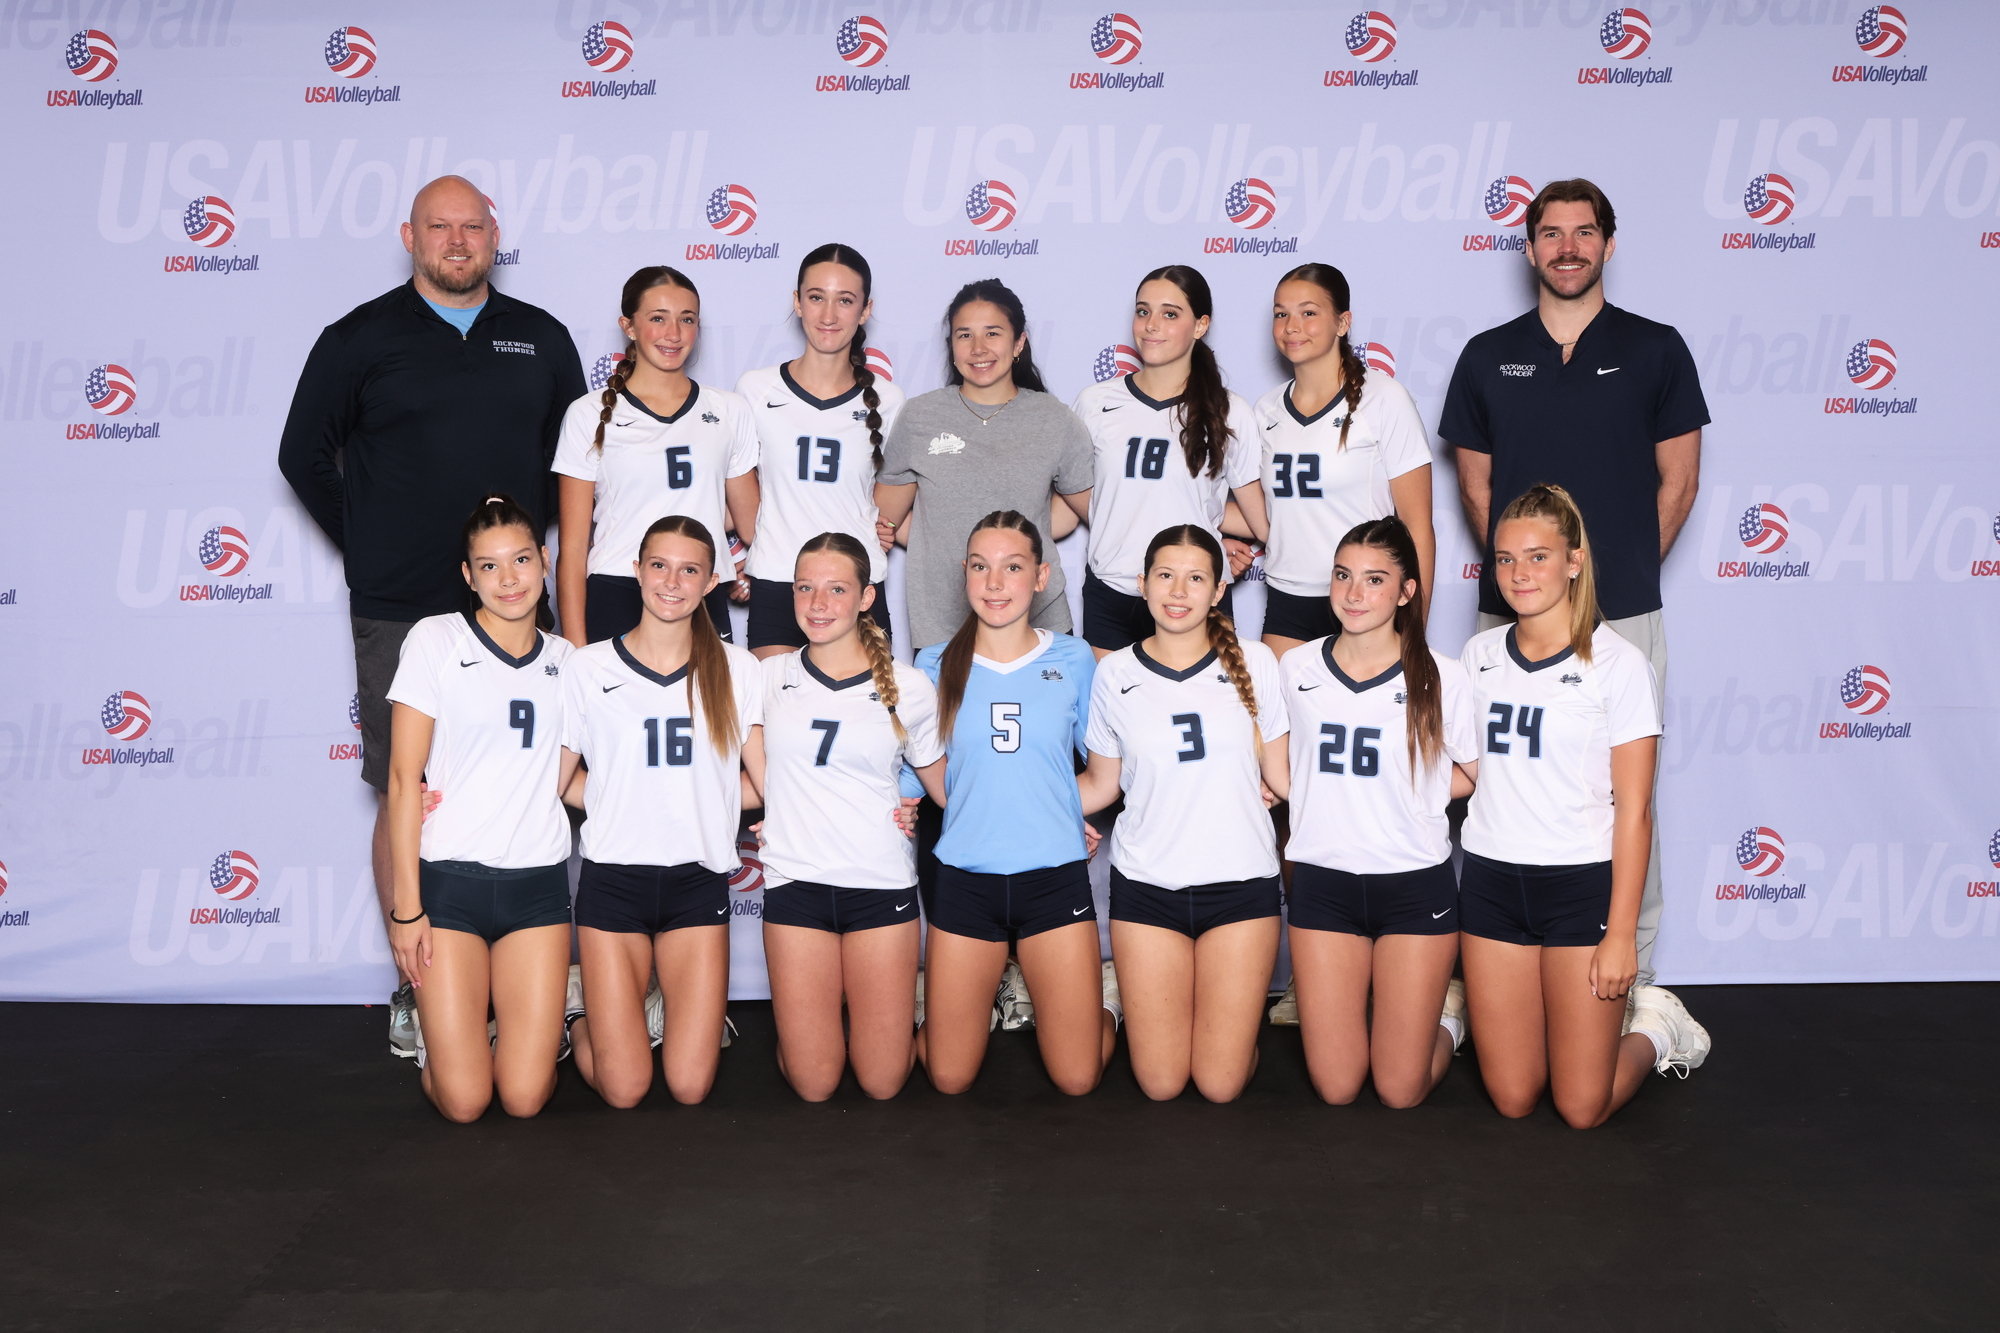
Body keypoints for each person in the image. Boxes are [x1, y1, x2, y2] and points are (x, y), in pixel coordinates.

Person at [279, 176, 585, 1058]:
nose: (457, 241)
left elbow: (574, 467)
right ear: (410, 236)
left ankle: (535, 985)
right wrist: (371, 544)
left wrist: (533, 569)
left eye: (472, 227)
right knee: (406, 788)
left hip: (518, 605)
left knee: (533, 777)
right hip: (402, 610)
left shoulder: (542, 337)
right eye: (440, 227)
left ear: (495, 234)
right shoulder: (358, 338)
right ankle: (415, 986)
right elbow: (302, 456)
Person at [1440, 178, 1707, 988]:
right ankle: (1495, 977)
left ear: (1608, 244)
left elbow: (1679, 483)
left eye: (1584, 232)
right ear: (1529, 248)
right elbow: (1478, 491)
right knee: (1493, 788)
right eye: (1551, 233)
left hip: (1621, 612)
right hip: (1509, 617)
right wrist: (1534, 586)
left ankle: (1636, 979)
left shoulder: (1657, 348)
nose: (1567, 247)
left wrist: (1604, 580)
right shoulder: (1487, 355)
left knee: (1626, 799)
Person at [1457, 484, 1708, 1129]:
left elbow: (1636, 811)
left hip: (1579, 888)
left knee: (1580, 1106)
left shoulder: (1620, 665)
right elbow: (1467, 773)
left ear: (1574, 561)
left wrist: (1621, 935)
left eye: (1538, 557)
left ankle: (1655, 1027)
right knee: (1514, 1097)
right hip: (1490, 884)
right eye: (1506, 559)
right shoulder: (1479, 656)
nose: (1519, 573)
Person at [1077, 525, 1290, 1102]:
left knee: (1220, 1085)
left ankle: (1224, 1029)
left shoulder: (1257, 663)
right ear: (1142, 584)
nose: (1178, 591)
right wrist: (1008, 804)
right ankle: (1121, 1004)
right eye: (1165, 576)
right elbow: (1100, 784)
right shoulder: (1115, 673)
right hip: (1147, 888)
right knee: (1161, 1083)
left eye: (1196, 578)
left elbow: (1284, 778)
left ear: (1218, 590)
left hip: (1240, 887)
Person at [384, 496, 578, 1122]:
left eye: (521, 560)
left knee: (523, 1097)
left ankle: (557, 1017)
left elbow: (570, 780)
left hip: (537, 891)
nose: (509, 579)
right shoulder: (435, 639)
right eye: (489, 566)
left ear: (544, 561)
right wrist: (406, 910)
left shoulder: (570, 664)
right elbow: (402, 778)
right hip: (449, 889)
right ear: (468, 576)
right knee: (465, 1101)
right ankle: (439, 1045)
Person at [557, 516, 756, 1108]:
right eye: (660, 566)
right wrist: (620, 795)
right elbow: (559, 782)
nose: (672, 582)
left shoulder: (737, 668)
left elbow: (763, 782)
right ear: (637, 571)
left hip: (697, 883)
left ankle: (665, 1018)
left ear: (712, 582)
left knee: (690, 1087)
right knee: (624, 1090)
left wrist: (710, 797)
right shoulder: (589, 667)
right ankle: (578, 1017)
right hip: (614, 883)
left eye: (690, 570)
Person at [914, 511, 1115, 1096]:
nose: (995, 583)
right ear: (964, 574)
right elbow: (921, 767)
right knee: (949, 1077)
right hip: (964, 881)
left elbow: (1103, 770)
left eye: (1012, 567)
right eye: (980, 567)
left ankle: (1107, 1005)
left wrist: (1060, 811)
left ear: (1041, 576)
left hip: (1053, 879)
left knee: (1077, 1079)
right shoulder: (932, 664)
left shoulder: (1075, 659)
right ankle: (951, 1006)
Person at [741, 532, 946, 1101]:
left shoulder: (908, 686)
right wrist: (777, 801)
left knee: (882, 1082)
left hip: (879, 887)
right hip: (795, 884)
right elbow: (745, 771)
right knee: (815, 1083)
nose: (817, 603)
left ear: (866, 597)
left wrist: (1055, 819)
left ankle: (926, 1017)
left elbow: (946, 785)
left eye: (836, 589)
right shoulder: (765, 677)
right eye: (804, 588)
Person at [1282, 517, 1476, 1108]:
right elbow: (1279, 763)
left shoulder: (1442, 675)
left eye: (1374, 579)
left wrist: (1412, 793)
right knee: (1337, 1087)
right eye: (1343, 576)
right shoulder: (1295, 668)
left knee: (1399, 1090)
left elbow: (1474, 775)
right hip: (1323, 885)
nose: (1353, 593)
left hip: (1413, 886)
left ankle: (1449, 1023)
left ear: (1406, 591)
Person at [875, 279, 1094, 652]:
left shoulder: (1054, 419)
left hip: (1038, 619)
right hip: (943, 621)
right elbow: (885, 519)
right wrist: (936, 536)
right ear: (952, 346)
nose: (978, 348)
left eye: (992, 333)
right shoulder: (920, 416)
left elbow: (1088, 509)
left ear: (1018, 343)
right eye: (965, 335)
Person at [554, 266, 758, 647]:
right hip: (618, 589)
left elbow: (751, 523)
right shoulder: (587, 414)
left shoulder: (730, 410)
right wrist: (575, 650)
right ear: (629, 326)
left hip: (700, 589)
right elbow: (573, 549)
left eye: (687, 319)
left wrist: (747, 562)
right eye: (658, 318)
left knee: (712, 690)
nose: (674, 334)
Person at [1072, 265, 1267, 658]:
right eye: (1143, 311)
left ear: (1201, 325)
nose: (1151, 325)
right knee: (1113, 699)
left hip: (1192, 595)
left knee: (1208, 698)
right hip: (1112, 592)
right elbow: (1083, 493)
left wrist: (1207, 529)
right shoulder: (1094, 402)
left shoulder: (1230, 411)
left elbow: (1258, 518)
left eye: (1170, 314)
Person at [1255, 264, 1435, 659]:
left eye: (1308, 312)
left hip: (1364, 598)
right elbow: (1270, 510)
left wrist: (1414, 630)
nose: (1291, 326)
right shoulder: (1266, 410)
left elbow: (1417, 525)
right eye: (1281, 313)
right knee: (1275, 702)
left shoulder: (1384, 399)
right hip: (1287, 599)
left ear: (1342, 322)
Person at [737, 244, 903, 658]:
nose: (828, 315)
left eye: (845, 300)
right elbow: (742, 495)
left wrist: (880, 527)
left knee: (867, 702)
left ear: (865, 310)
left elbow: (885, 504)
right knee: (773, 700)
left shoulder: (889, 400)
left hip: (857, 585)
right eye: (816, 297)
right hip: (778, 579)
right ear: (797, 302)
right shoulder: (755, 389)